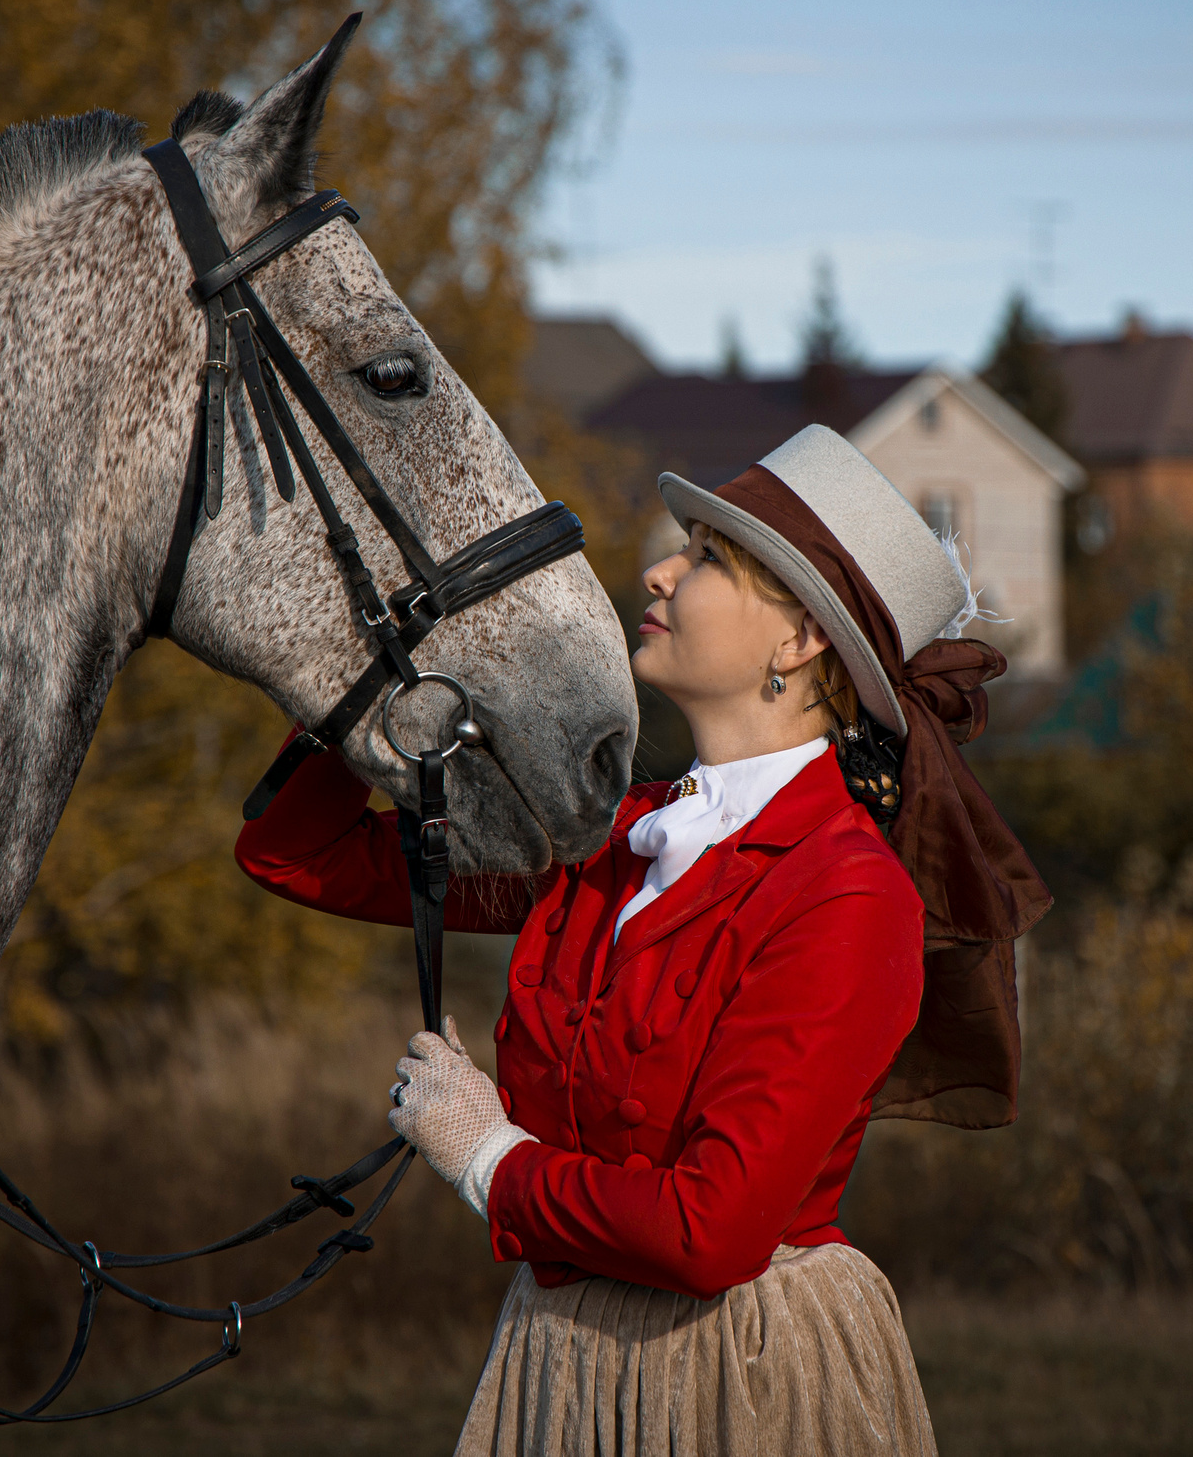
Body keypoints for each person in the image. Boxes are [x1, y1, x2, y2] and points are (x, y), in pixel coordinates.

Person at [235, 425, 1050, 1455]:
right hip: (559, 1359)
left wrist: (488, 1156)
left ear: (800, 640)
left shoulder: (847, 894)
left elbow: (712, 1233)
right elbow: (294, 853)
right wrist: (378, 672)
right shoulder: (609, 840)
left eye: (707, 558)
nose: (660, 572)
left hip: (739, 1374)